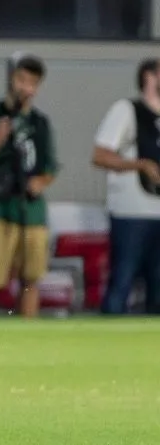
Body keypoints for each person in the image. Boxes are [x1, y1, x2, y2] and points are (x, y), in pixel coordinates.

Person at [0, 53, 58, 319]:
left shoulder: (41, 124)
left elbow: (50, 166)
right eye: (21, 79)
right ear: (11, 80)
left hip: (31, 210)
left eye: (32, 82)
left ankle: (28, 337)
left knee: (31, 278)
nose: (26, 87)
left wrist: (41, 181)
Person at [91, 59, 160, 314]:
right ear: (149, 77)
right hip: (132, 213)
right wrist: (140, 165)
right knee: (123, 278)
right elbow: (100, 155)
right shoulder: (126, 110)